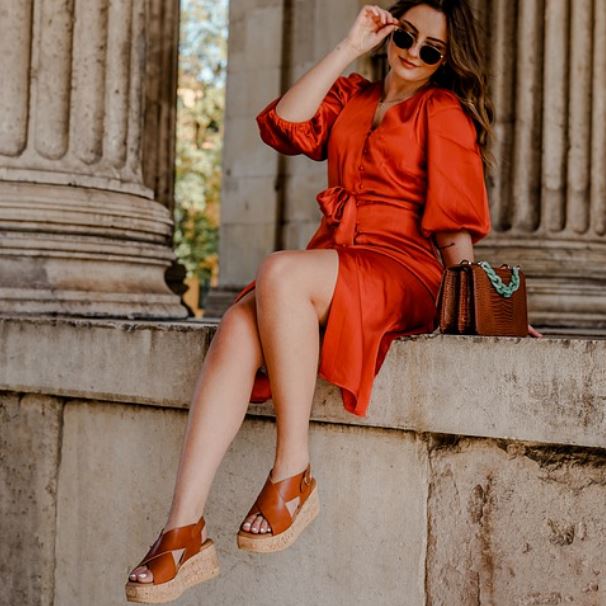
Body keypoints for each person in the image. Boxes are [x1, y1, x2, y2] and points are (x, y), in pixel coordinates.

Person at [125, 1, 544, 602]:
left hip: (402, 268)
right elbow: (284, 124)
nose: (414, 53)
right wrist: (350, 45)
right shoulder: (352, 95)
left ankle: (291, 471)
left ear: (447, 63)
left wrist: (486, 311)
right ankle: (182, 529)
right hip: (336, 258)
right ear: (390, 28)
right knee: (239, 329)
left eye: (433, 49)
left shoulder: (442, 109)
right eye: (406, 35)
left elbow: (454, 228)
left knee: (279, 273)